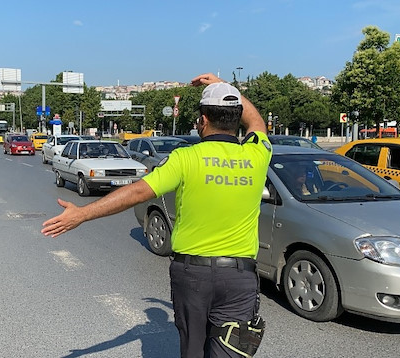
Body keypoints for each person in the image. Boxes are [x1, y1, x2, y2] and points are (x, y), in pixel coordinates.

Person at [41, 73, 272, 358]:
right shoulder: (258, 155)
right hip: (240, 278)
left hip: (193, 276)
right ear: (236, 119)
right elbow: (257, 121)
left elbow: (137, 192)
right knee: (231, 350)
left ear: (202, 120)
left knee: (192, 350)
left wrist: (82, 214)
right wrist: (222, 84)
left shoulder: (186, 158)